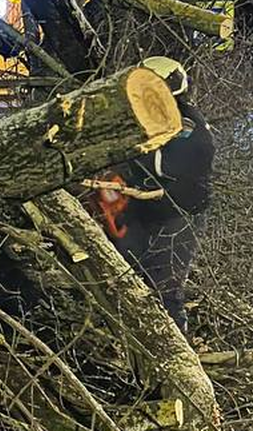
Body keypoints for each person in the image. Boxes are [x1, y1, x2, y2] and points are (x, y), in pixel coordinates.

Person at [92, 56, 215, 335]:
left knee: (164, 287)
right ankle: (128, 336)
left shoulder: (188, 129)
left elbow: (158, 164)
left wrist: (127, 159)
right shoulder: (146, 114)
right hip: (142, 209)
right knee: (125, 269)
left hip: (178, 215)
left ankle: (176, 349)